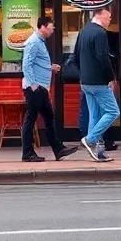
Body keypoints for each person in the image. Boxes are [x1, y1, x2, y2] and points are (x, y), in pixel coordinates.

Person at [20, 16, 77, 163]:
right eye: (51, 28)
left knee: (49, 118)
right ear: (43, 27)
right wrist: (33, 86)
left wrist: (49, 67)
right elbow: (26, 64)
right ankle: (27, 153)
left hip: (41, 87)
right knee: (30, 119)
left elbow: (36, 63)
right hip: (36, 88)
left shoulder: (39, 41)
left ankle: (58, 149)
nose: (52, 31)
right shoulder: (33, 42)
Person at [77, 6, 119, 162]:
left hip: (85, 81)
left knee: (94, 115)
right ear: (100, 15)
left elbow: (76, 56)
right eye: (108, 18)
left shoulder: (84, 31)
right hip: (98, 81)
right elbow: (103, 57)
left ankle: (96, 151)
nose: (109, 21)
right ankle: (90, 140)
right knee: (113, 112)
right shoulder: (100, 33)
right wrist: (110, 78)